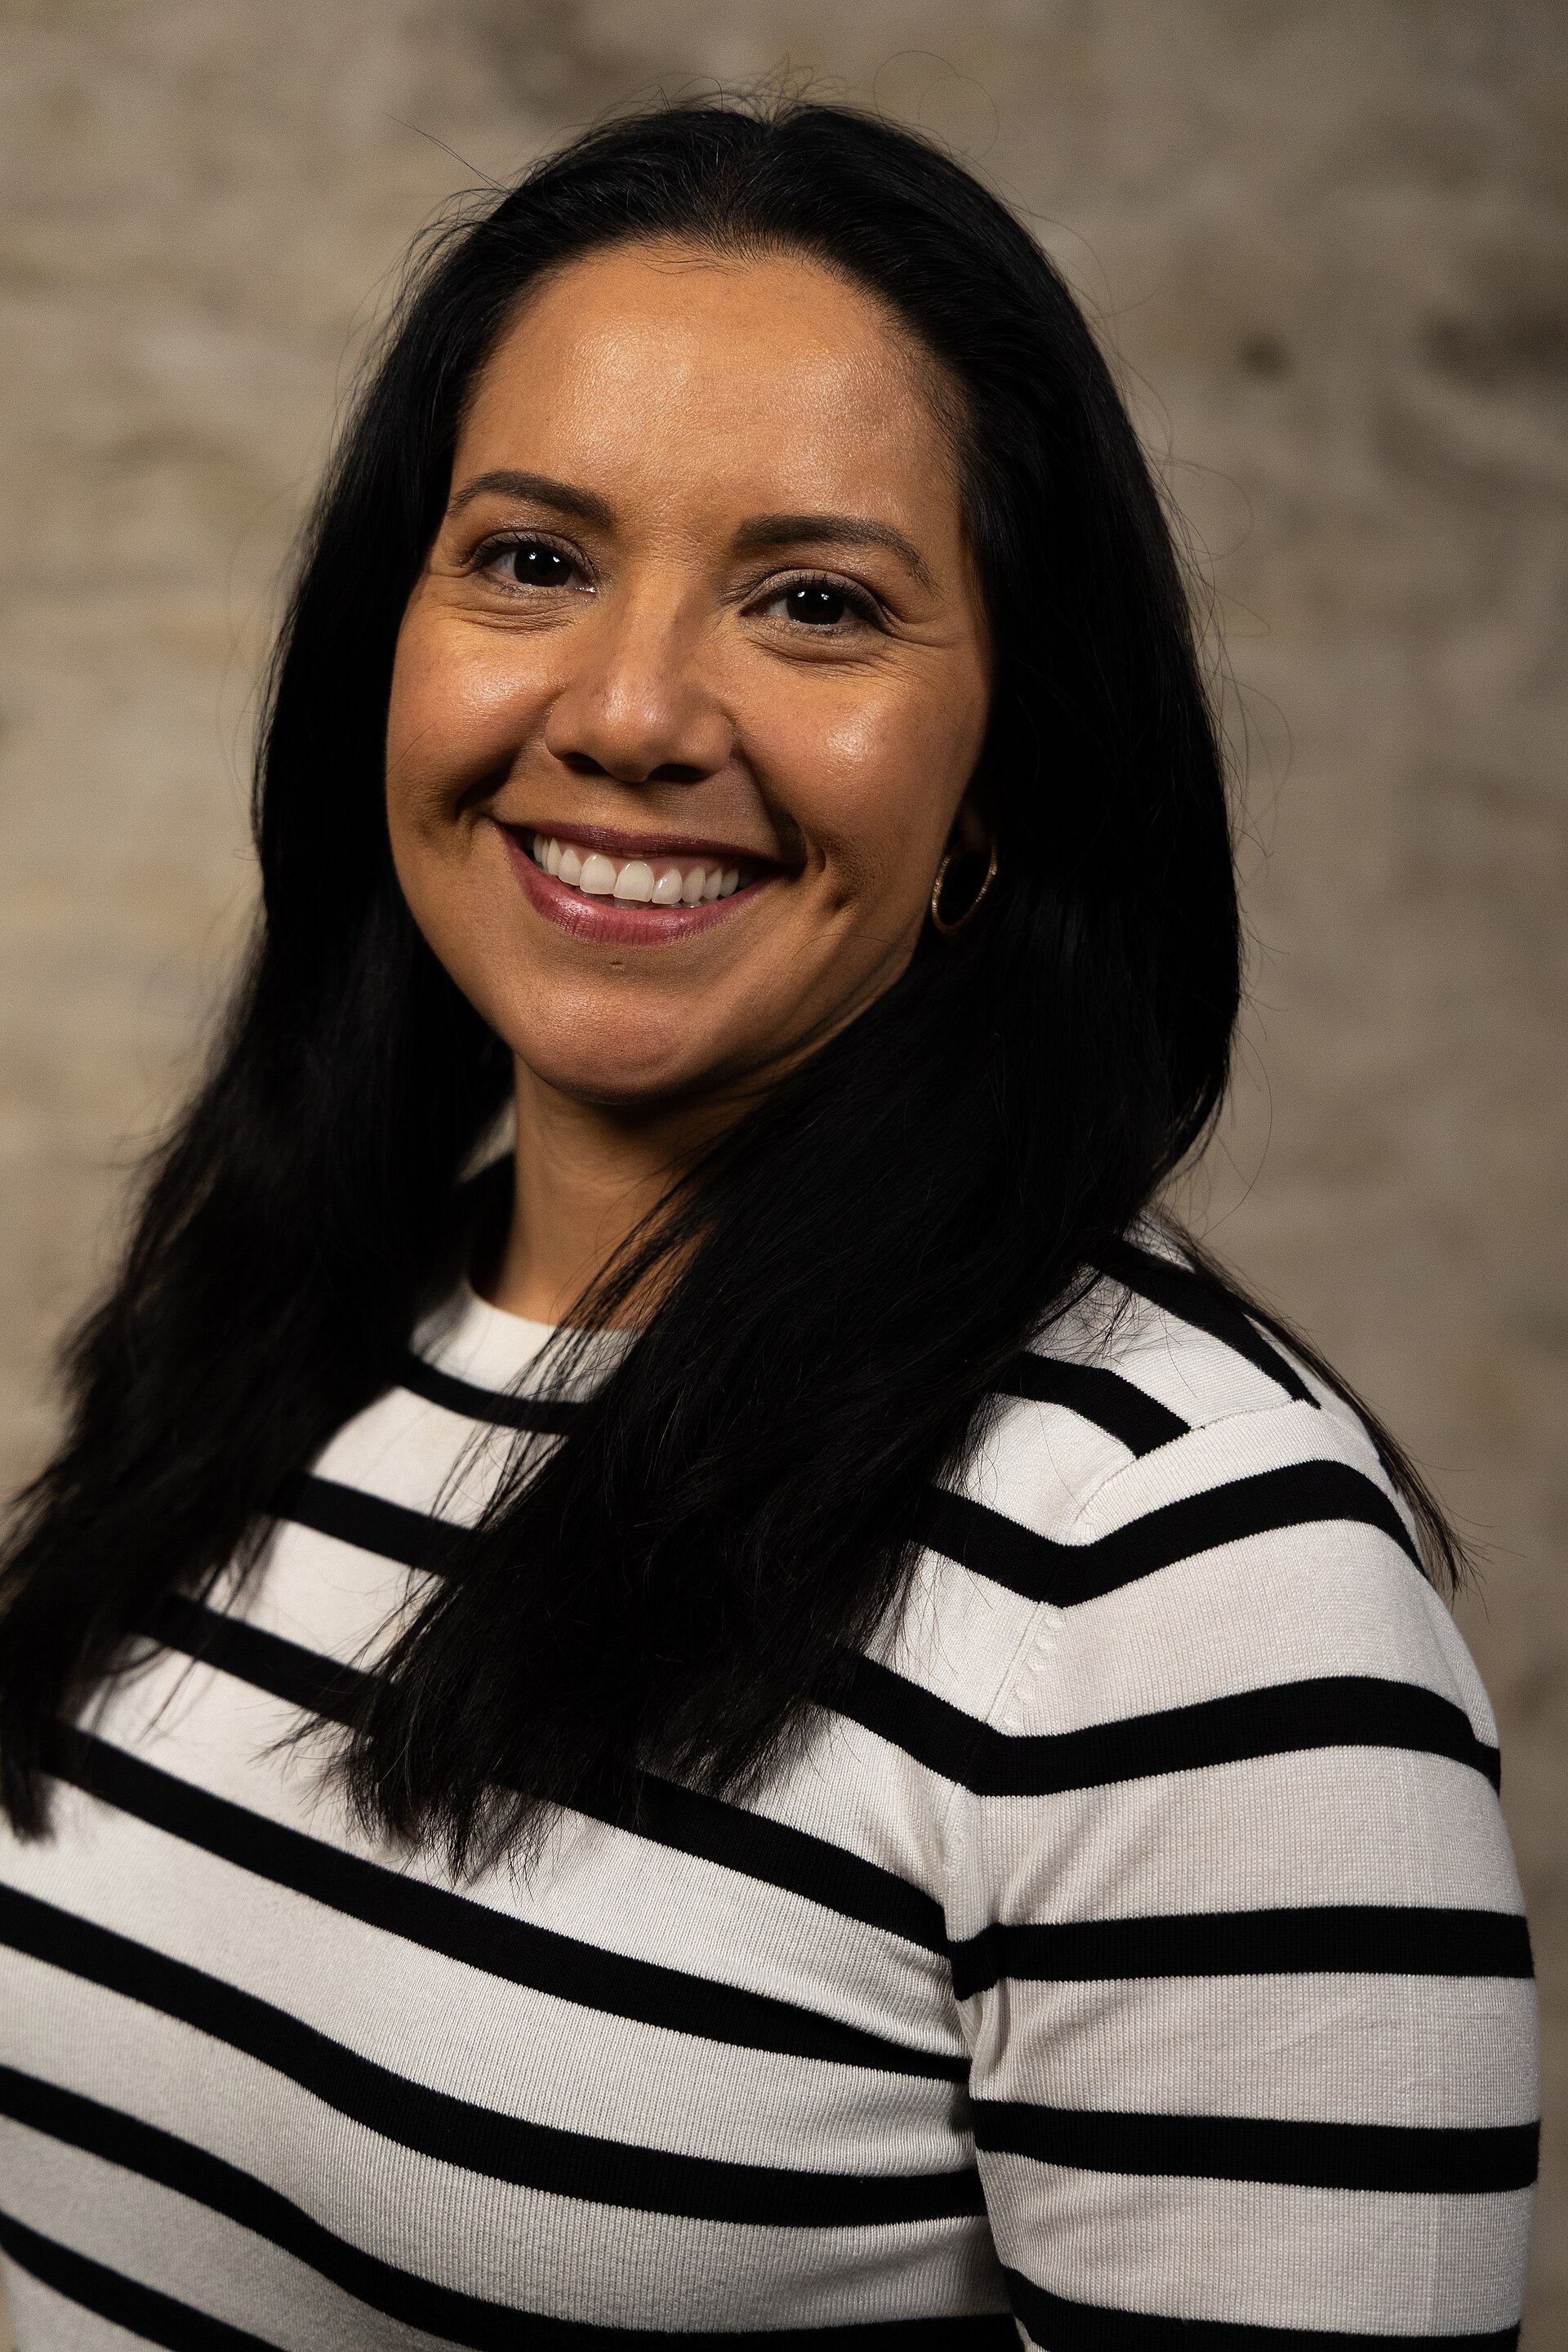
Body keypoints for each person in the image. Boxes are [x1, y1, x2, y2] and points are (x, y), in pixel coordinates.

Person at [0, 96, 1536, 2348]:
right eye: (529, 559)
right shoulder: (303, 1330)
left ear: (1004, 762)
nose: (627, 714)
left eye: (816, 602)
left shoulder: (1185, 1585)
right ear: (386, 646)